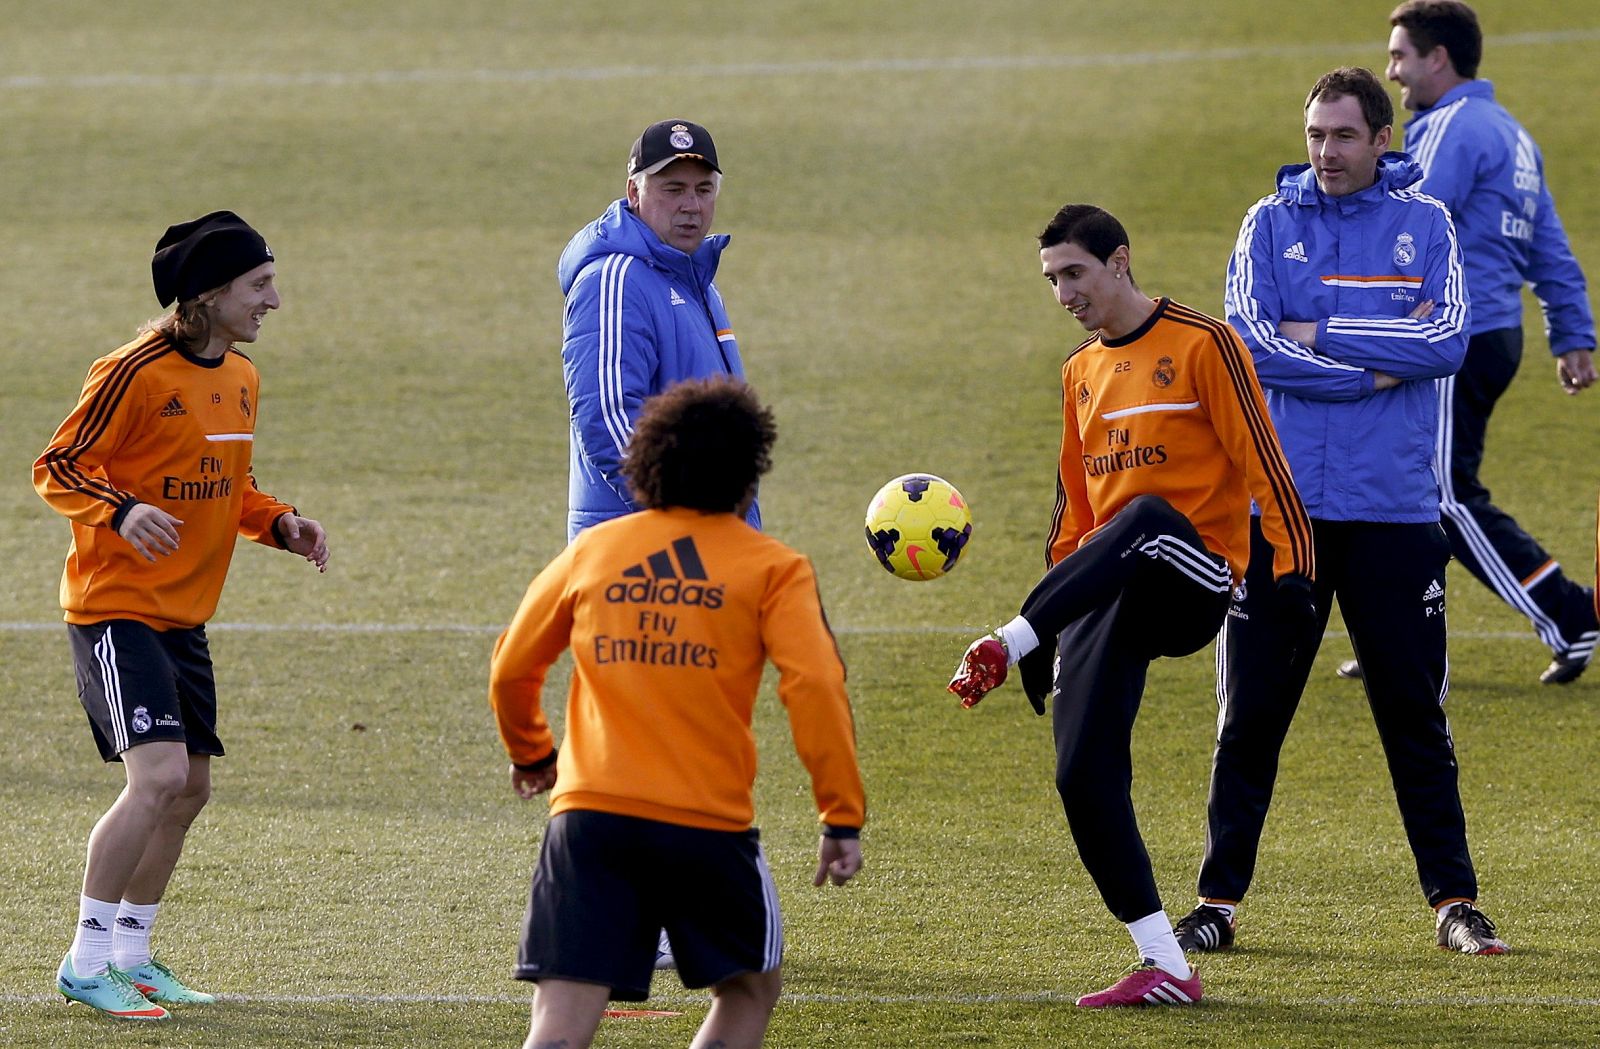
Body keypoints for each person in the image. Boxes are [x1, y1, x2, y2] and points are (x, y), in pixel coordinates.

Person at [1173, 67, 1510, 959]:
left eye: (1345, 136)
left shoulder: (1426, 224)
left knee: (1413, 716)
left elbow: (1448, 344)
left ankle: (1455, 901)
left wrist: (1316, 337)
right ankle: (1216, 902)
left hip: (1396, 516)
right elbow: (1249, 342)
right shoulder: (1268, 222)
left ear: (1382, 140)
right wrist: (1370, 370)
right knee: (1251, 717)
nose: (1326, 151)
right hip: (1281, 514)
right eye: (1316, 134)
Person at [947, 204, 1315, 1008]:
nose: (1062, 293)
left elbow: (1266, 465)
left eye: (1074, 272)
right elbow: (1071, 517)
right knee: (1082, 771)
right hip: (1108, 587)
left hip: (1195, 577)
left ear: (1120, 262)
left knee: (1143, 518)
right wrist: (1057, 620)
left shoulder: (1203, 343)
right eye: (1050, 279)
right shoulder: (1080, 372)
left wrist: (1292, 573)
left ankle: (1006, 639)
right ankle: (1165, 962)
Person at [489, 376, 865, 1049]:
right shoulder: (773, 567)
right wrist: (839, 813)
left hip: (590, 819)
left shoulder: (595, 550)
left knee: (558, 1025)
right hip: (706, 823)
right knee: (750, 986)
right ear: (748, 477)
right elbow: (815, 685)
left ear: (645, 466)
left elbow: (512, 667)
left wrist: (533, 753)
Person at [35, 211, 330, 1020]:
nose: (275, 300)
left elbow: (223, 481)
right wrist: (121, 510)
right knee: (158, 775)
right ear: (206, 296)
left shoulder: (240, 375)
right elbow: (56, 464)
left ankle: (131, 953)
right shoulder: (132, 372)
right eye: (259, 285)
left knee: (191, 786)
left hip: (183, 616)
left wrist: (279, 521)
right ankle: (85, 960)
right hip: (114, 607)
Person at [1336, 0, 1600, 686]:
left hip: (1453, 336)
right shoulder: (1511, 134)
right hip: (1490, 329)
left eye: (1399, 57)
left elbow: (1402, 218)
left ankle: (1569, 612)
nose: (1392, 71)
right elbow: (1548, 241)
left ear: (1437, 58)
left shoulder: (1450, 130)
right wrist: (1571, 333)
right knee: (1397, 488)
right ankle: (1394, 637)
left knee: (1442, 493)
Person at [560, 118, 758, 541]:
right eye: (673, 189)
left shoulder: (697, 284)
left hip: (703, 544)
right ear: (635, 192)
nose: (691, 205)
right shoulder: (613, 280)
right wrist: (688, 520)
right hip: (642, 558)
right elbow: (609, 418)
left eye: (703, 190)